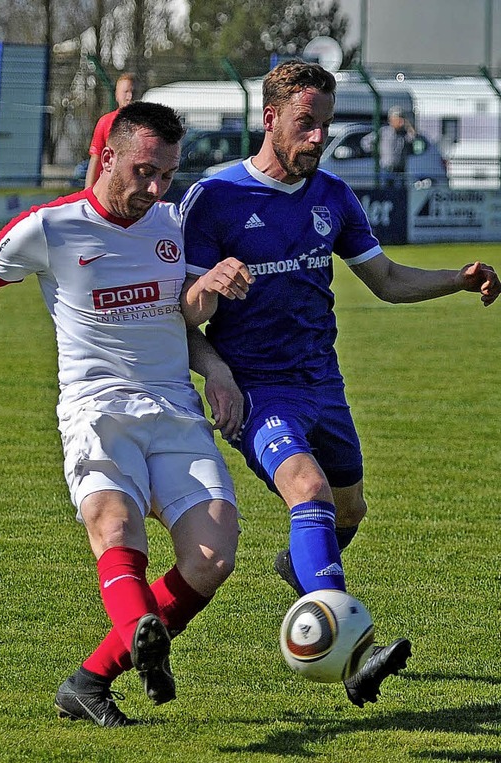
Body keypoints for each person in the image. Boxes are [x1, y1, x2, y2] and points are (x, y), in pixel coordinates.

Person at [0, 102, 240, 728]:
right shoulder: (51, 228)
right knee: (114, 527)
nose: (153, 188)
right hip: (96, 412)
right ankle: (140, 634)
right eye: (143, 171)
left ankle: (94, 677)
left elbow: (178, 319)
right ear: (107, 156)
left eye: (166, 174)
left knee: (213, 556)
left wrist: (217, 362)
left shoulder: (174, 226)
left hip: (173, 408)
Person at [179, 60, 500, 708]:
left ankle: (303, 566)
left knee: (347, 510)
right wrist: (209, 293)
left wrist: (456, 280)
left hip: (325, 385)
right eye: (306, 124)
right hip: (258, 390)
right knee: (309, 486)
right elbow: (178, 314)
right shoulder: (213, 201)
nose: (319, 138)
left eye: (325, 124)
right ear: (269, 119)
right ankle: (350, 650)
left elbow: (384, 279)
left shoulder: (332, 196)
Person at [84, 73, 136, 188]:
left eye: (133, 92)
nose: (130, 96)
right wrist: (88, 192)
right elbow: (96, 159)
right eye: (126, 92)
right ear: (117, 95)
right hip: (110, 187)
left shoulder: (147, 124)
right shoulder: (106, 122)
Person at [362, 105, 417, 185]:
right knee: (385, 192)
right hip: (385, 169)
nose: (401, 121)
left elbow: (413, 136)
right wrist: (376, 150)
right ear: (391, 119)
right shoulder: (383, 132)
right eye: (398, 118)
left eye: (402, 118)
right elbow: (365, 142)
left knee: (400, 193)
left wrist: (407, 124)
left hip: (400, 171)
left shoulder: (404, 134)